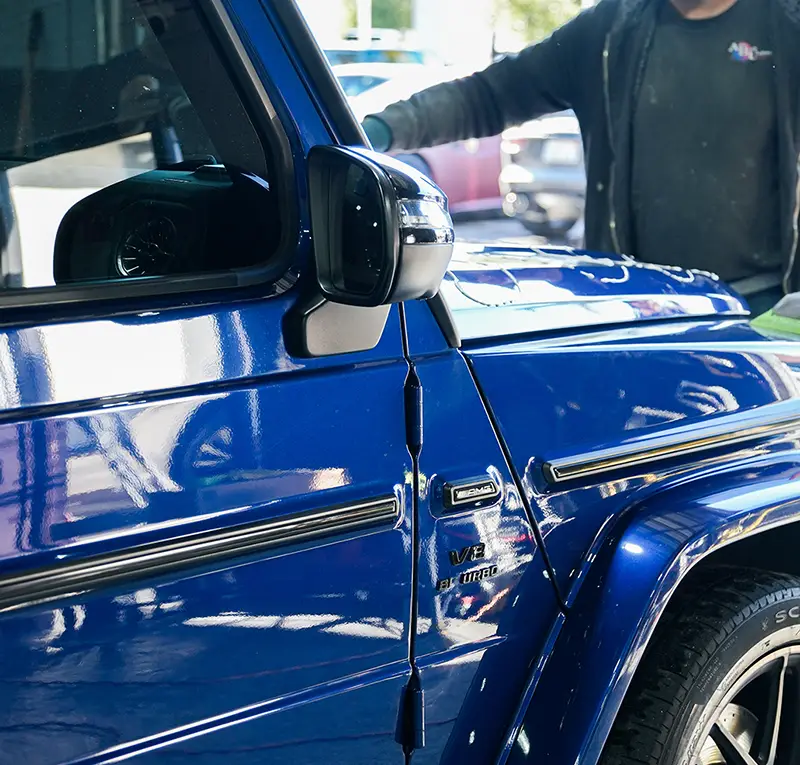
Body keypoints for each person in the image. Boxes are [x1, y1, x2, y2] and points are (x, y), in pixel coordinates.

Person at [362, 0, 800, 315]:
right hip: (642, 310)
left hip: (766, 310)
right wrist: (371, 133)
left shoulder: (787, 24)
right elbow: (489, 95)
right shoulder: (611, 29)